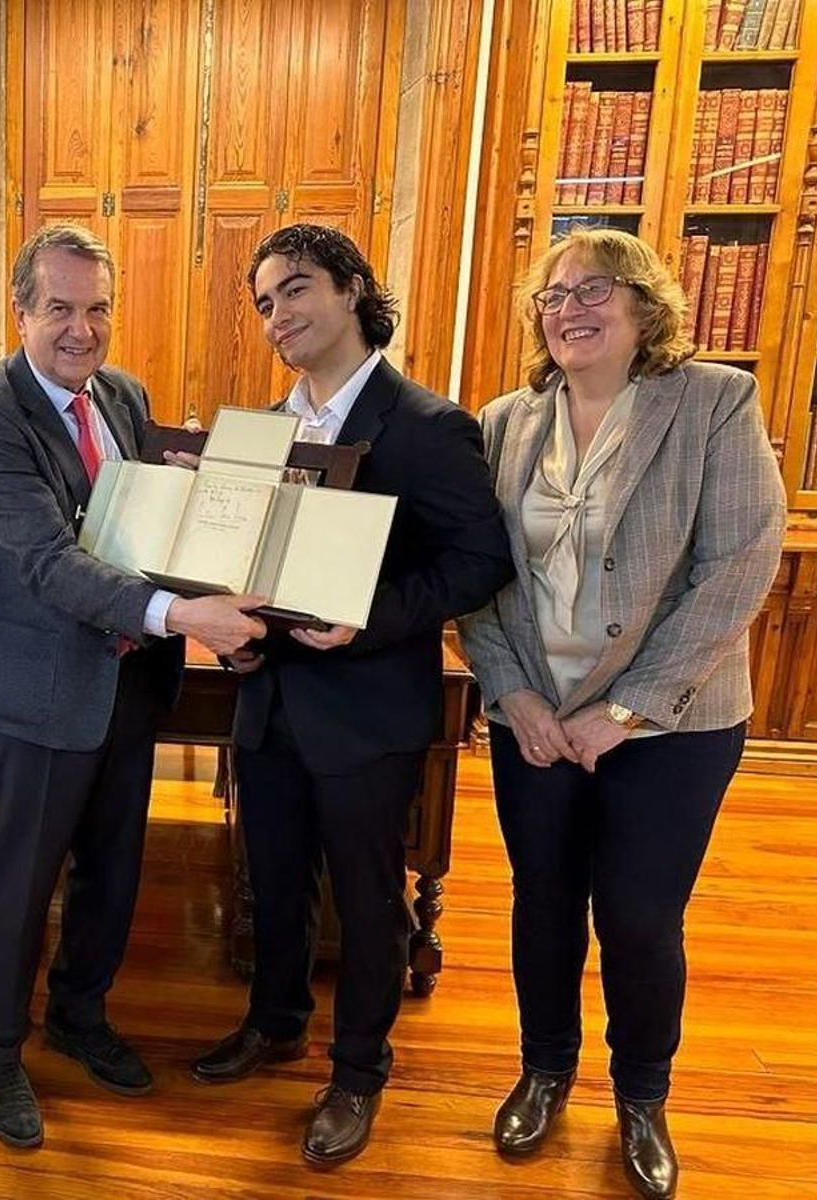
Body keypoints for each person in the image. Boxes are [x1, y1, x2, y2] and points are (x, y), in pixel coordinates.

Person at [458, 228, 785, 1199]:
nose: (569, 308)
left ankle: (641, 1094)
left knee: (640, 919)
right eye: (551, 296)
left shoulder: (712, 402)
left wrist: (629, 709)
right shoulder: (502, 423)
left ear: (645, 304)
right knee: (542, 902)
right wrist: (511, 693)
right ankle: (543, 1068)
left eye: (593, 289)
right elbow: (476, 579)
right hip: (537, 722)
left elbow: (738, 567)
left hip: (672, 726)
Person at [188, 224, 514, 1167]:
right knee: (273, 880)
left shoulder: (429, 425)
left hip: (368, 707)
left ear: (352, 291)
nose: (278, 316)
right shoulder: (260, 431)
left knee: (368, 902)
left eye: (294, 291)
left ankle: (360, 1069)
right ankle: (276, 1021)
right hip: (270, 698)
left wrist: (370, 621)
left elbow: (480, 561)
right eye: (263, 303)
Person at [0, 222, 267, 1150]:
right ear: (21, 311)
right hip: (37, 692)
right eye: (59, 309)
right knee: (17, 882)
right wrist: (186, 617)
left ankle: (78, 1016)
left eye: (97, 310)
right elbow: (50, 565)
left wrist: (185, 503)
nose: (80, 329)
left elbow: (136, 527)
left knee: (112, 871)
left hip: (126, 687)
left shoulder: (123, 396)